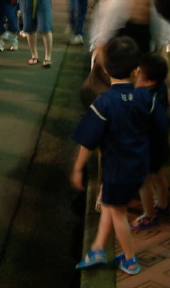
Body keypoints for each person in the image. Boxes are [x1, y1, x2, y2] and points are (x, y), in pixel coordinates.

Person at [71, 36, 151, 275]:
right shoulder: (144, 98)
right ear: (137, 71)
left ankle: (130, 259)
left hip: (117, 169)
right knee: (108, 204)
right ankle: (96, 248)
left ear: (104, 70)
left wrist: (77, 168)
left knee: (118, 213)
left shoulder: (104, 102)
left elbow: (88, 140)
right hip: (139, 164)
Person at [130, 53, 170, 230]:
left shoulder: (141, 96)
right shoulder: (161, 88)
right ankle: (162, 204)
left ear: (147, 81)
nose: (134, 74)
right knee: (160, 174)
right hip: (161, 142)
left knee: (143, 181)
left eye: (138, 73)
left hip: (147, 145)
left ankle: (149, 215)